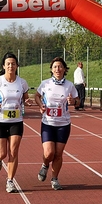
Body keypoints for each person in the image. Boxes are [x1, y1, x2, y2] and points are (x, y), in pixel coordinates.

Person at [0, 52, 30, 193]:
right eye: (8, 63)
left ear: (17, 66)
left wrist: (27, 102)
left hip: (16, 121)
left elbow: (25, 98)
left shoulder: (22, 83)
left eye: (13, 63)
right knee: (3, 153)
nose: (11, 66)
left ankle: (10, 181)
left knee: (13, 152)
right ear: (4, 66)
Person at [35, 57, 79, 191]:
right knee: (49, 153)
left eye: (60, 67)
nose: (57, 69)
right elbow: (36, 96)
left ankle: (54, 179)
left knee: (58, 154)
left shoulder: (69, 85)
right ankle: (45, 164)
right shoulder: (45, 83)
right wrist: (40, 105)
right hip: (48, 123)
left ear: (64, 69)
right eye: (55, 67)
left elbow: (77, 101)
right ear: (51, 69)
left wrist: (73, 102)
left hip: (63, 124)